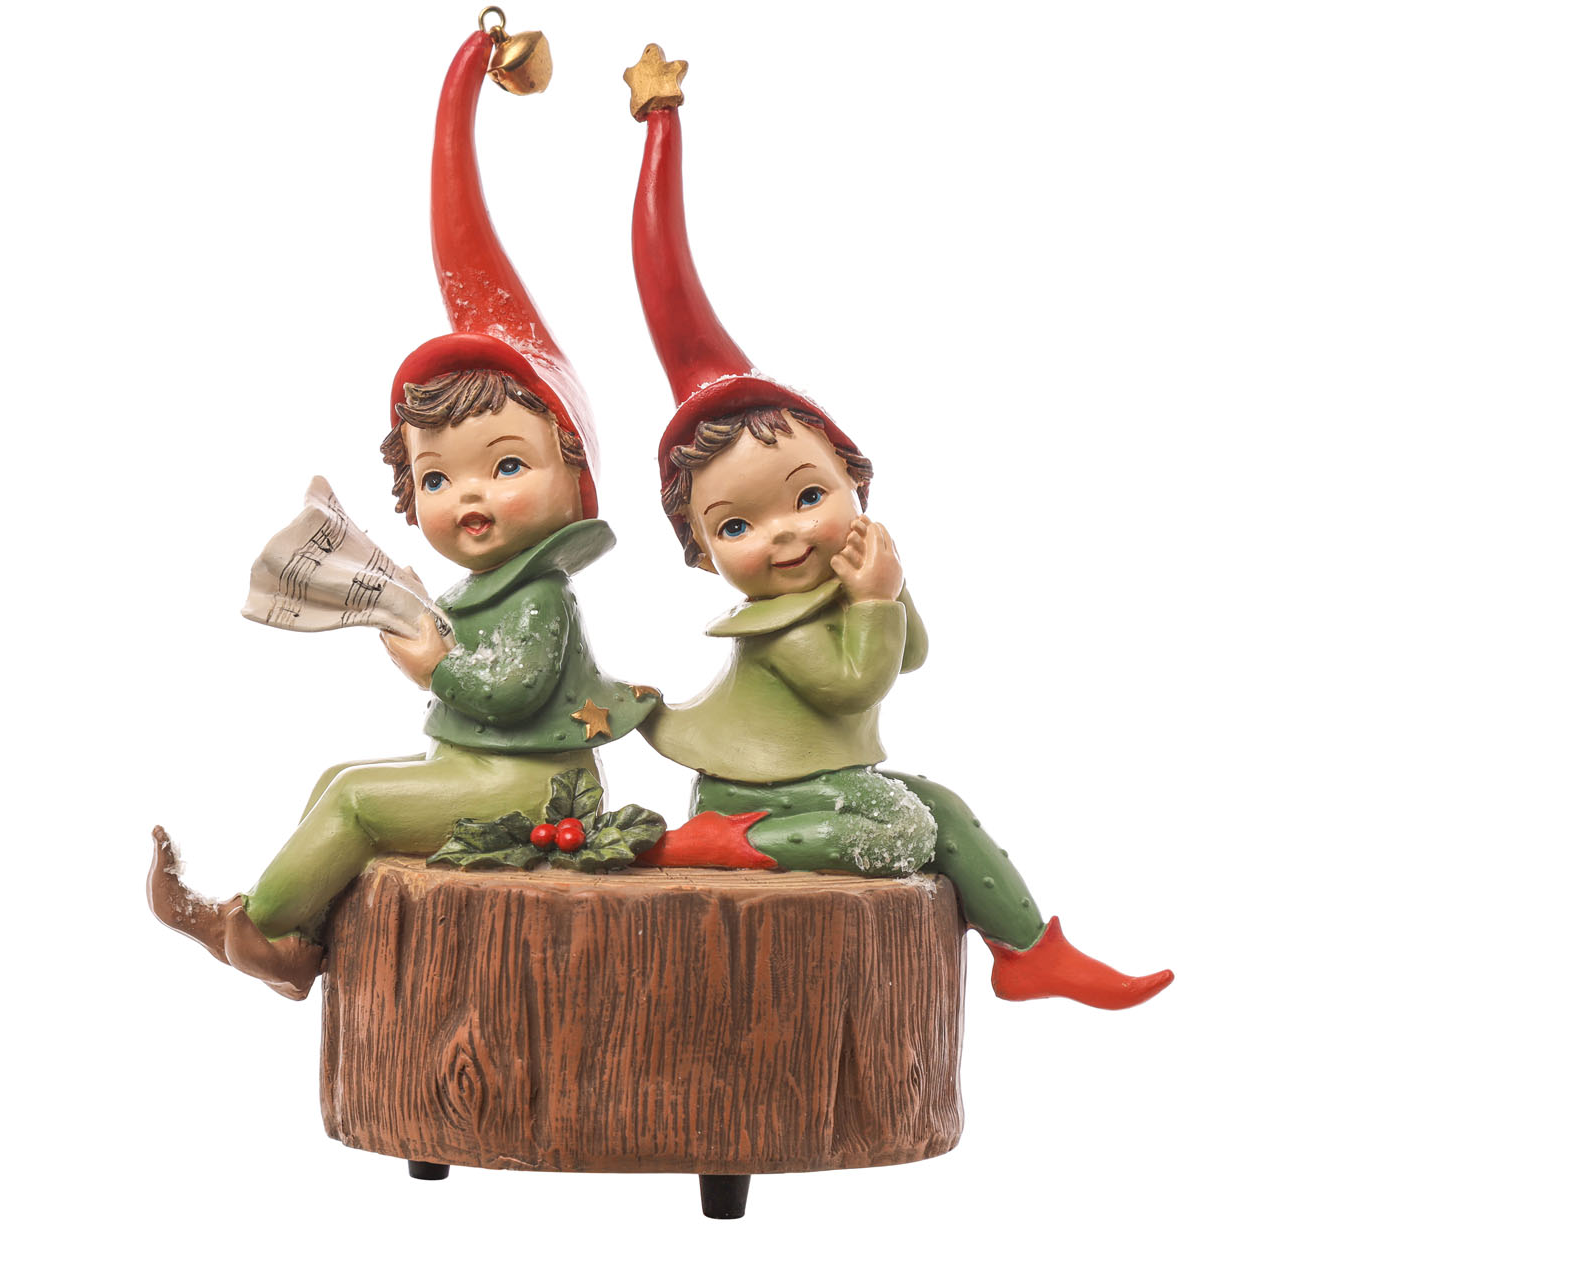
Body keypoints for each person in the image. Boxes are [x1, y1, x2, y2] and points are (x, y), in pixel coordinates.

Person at [621, 45, 1170, 1009]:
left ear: (854, 481)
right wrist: (872, 601)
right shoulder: (779, 622)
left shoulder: (843, 578)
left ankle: (1029, 951)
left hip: (815, 782)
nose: (785, 535)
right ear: (704, 555)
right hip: (760, 795)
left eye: (807, 497)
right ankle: (716, 842)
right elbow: (853, 682)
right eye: (737, 525)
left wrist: (890, 588)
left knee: (939, 805)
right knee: (903, 831)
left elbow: (912, 655)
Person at [148, 29, 651, 1000]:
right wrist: (427, 608)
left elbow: (511, 691)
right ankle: (294, 944)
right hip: (482, 768)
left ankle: (255, 927)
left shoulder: (541, 596)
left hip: (533, 789)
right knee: (339, 780)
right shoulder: (491, 586)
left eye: (506, 465)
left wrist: (434, 663)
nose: (470, 496)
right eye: (438, 478)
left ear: (572, 474)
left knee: (361, 804)